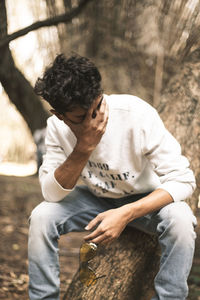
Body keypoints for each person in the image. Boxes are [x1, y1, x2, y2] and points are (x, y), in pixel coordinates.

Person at [28, 53, 197, 300]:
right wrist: (84, 146)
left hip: (146, 201)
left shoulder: (135, 113)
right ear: (59, 114)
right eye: (80, 118)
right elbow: (51, 193)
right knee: (41, 217)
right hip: (97, 201)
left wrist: (126, 213)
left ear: (100, 94)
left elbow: (184, 180)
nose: (94, 122)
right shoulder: (56, 129)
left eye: (97, 108)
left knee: (181, 220)